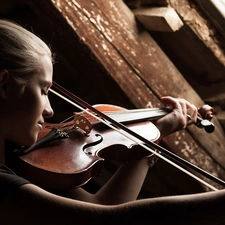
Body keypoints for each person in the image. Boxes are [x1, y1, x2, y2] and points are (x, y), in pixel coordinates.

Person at [0, 19, 224, 225]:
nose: (49, 111)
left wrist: (155, 133)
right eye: (43, 90)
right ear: (4, 85)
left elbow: (100, 207)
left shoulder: (16, 162)